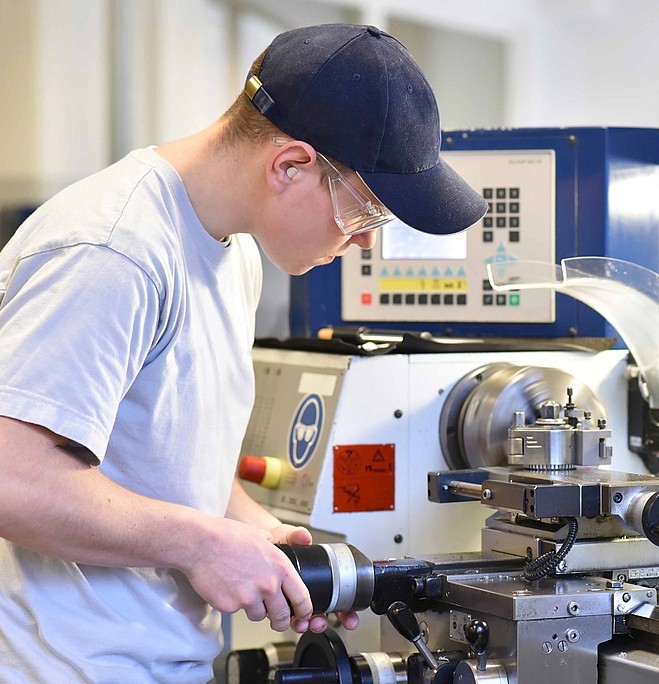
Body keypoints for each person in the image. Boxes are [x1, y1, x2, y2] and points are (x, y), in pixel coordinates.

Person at [0, 23, 486, 683]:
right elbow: (13, 480)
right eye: (365, 215)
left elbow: (159, 457)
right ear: (290, 165)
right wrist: (201, 545)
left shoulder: (235, 256)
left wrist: (259, 539)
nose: (365, 245)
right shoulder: (113, 250)